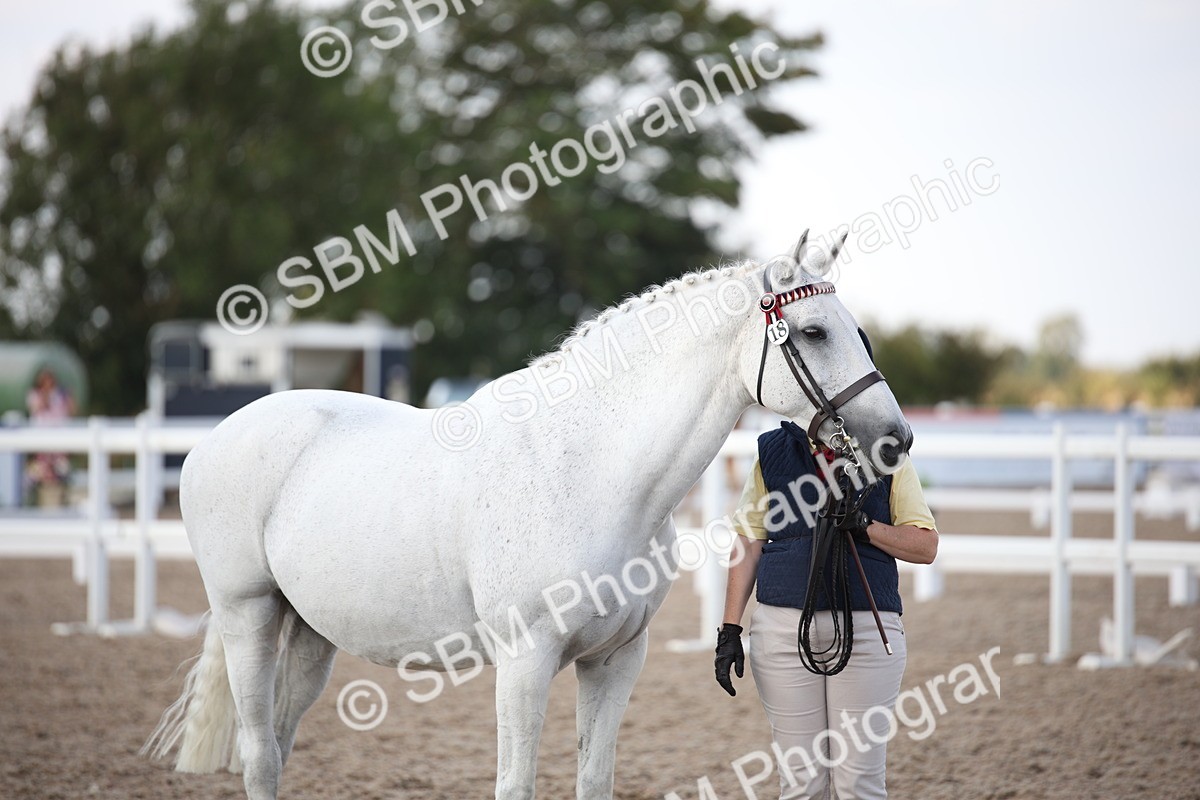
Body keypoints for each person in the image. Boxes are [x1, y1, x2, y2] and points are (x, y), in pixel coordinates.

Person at [715, 403, 937, 799]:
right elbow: (749, 540)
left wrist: (868, 527)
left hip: (868, 633)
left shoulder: (886, 453)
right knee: (801, 784)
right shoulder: (772, 451)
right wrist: (729, 629)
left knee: (859, 785)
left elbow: (925, 546)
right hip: (782, 635)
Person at [25, 368, 76, 506]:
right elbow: (37, 408)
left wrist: (68, 398)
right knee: (38, 472)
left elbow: (70, 412)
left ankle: (64, 499)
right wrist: (45, 395)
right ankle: (31, 500)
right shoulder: (35, 395)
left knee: (62, 470)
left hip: (58, 442)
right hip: (41, 442)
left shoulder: (60, 396)